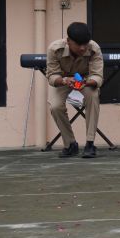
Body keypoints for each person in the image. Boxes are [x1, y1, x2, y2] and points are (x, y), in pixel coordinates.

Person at [46, 22, 103, 158]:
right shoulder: (54, 49)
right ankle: (70, 144)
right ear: (68, 41)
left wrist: (86, 82)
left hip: (85, 80)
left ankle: (90, 143)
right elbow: (52, 76)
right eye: (78, 44)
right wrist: (64, 80)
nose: (83, 48)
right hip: (63, 79)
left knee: (93, 96)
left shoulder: (94, 48)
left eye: (85, 44)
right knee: (55, 106)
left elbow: (97, 76)